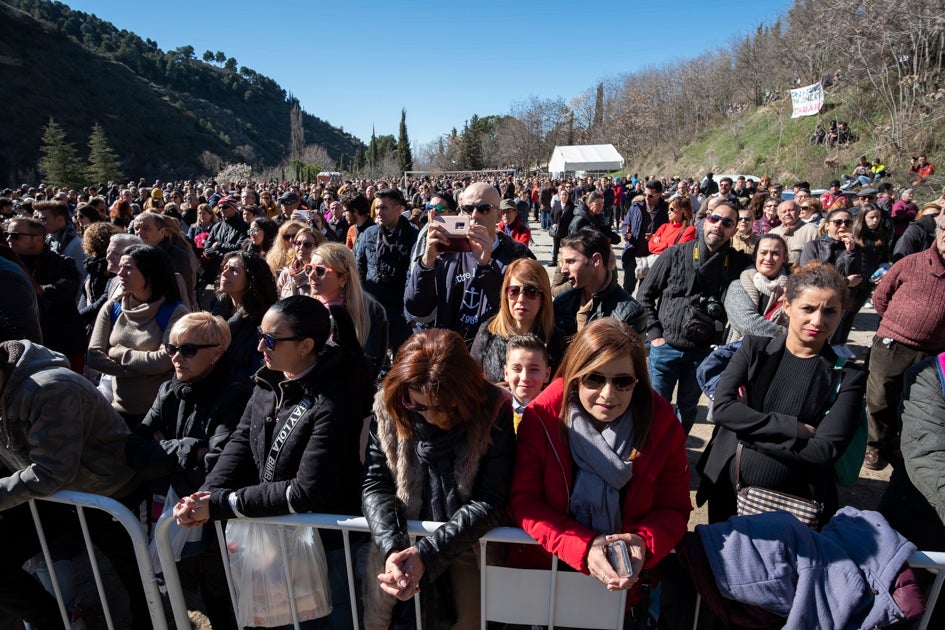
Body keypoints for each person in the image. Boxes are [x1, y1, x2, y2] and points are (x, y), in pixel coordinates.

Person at [175, 296, 372, 630]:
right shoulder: (270, 378)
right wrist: (205, 495)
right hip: (277, 536)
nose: (258, 348)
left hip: (326, 546)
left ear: (307, 345)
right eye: (258, 335)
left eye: (269, 340)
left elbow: (307, 491)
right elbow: (240, 442)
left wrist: (221, 504)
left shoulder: (337, 397)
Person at [508, 318, 691, 612]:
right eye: (594, 378)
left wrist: (643, 542)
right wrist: (584, 546)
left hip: (624, 586)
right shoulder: (541, 417)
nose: (608, 394)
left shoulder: (663, 425)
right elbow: (525, 502)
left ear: (637, 381)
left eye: (622, 382)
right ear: (576, 376)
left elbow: (675, 508)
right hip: (547, 577)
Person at [361, 328, 515, 630]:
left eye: (444, 407)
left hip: (466, 547)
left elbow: (491, 498)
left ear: (464, 395)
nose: (430, 418)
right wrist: (393, 548)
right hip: (400, 549)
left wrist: (428, 553)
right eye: (417, 406)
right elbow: (375, 483)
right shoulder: (390, 405)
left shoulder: (492, 408)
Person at [696, 262, 867, 524]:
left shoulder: (848, 376)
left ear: (841, 313)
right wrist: (792, 427)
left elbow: (824, 450)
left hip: (797, 504)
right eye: (808, 309)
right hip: (728, 492)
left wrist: (746, 431)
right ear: (787, 305)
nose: (818, 321)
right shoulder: (754, 350)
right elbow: (723, 409)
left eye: (830, 311)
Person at [0, 339, 151, 629]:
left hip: (111, 494)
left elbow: (52, 471)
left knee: (139, 577)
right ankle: (53, 620)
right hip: (57, 499)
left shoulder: (50, 388)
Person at [126, 312, 251, 630]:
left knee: (223, 603)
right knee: (169, 592)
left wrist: (165, 453)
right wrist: (188, 449)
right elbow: (132, 450)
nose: (177, 357)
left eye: (189, 350)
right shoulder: (169, 390)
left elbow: (216, 462)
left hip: (216, 524)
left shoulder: (236, 393)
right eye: (171, 349)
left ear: (217, 351)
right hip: (171, 513)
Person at [638, 203, 751, 433]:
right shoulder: (675, 254)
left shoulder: (736, 262)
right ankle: (651, 455)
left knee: (688, 408)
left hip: (702, 352)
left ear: (735, 229)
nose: (719, 226)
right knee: (655, 407)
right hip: (665, 346)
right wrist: (655, 334)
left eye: (727, 222)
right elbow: (644, 295)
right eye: (715, 218)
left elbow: (767, 264)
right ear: (705, 219)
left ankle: (677, 454)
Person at [864, 214, 945, 471]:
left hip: (933, 352)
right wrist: (897, 324)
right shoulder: (911, 263)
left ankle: (901, 448)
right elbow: (881, 296)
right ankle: (875, 446)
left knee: (917, 403)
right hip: (892, 344)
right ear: (938, 231)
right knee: (879, 399)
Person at [405, 182, 531, 345]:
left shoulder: (517, 258)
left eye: (484, 209)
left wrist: (486, 267)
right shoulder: (447, 252)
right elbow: (417, 308)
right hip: (451, 353)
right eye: (468, 209)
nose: (474, 215)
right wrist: (426, 263)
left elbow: (520, 317)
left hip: (495, 356)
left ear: (499, 215)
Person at [87, 244, 189, 426]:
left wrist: (118, 353)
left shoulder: (175, 312)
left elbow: (165, 360)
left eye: (128, 268)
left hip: (159, 415)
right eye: (120, 268)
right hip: (116, 409)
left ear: (149, 273)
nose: (120, 274)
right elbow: (94, 356)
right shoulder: (113, 308)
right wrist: (138, 370)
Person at [5, 216, 86, 371]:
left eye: (15, 235)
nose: (9, 239)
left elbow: (65, 293)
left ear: (38, 239)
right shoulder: (7, 265)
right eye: (6, 234)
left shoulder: (63, 264)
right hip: (22, 347)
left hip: (62, 345)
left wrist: (23, 272)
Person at [470, 258, 565, 383]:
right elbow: (471, 380)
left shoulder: (556, 341)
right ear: (506, 295)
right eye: (514, 291)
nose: (521, 299)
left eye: (531, 292)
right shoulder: (487, 332)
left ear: (543, 298)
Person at [308, 242, 388, 381]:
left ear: (343, 278)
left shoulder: (370, 310)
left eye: (320, 271)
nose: (311, 276)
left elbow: (371, 367)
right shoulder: (306, 307)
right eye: (309, 269)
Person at [355, 188, 419, 353]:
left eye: (384, 208)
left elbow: (415, 275)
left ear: (399, 209)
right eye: (377, 207)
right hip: (372, 310)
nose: (379, 212)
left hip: (400, 312)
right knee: (371, 358)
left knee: (402, 359)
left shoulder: (413, 236)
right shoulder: (369, 233)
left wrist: (410, 311)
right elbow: (358, 266)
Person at [553, 228, 647, 337]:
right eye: (563, 263)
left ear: (596, 260)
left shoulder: (630, 315)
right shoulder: (561, 304)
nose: (563, 269)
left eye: (571, 262)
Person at [212, 251, 279, 380]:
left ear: (251, 279)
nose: (224, 274)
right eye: (224, 268)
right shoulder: (217, 310)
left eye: (234, 270)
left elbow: (258, 372)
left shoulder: (262, 321)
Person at [724, 234, 790, 343]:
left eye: (775, 254)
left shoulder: (795, 289)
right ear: (755, 256)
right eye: (763, 253)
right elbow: (748, 324)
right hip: (742, 352)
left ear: (784, 258)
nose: (768, 258)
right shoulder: (738, 286)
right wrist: (789, 336)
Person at [77, 221, 121, 338]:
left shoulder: (111, 265)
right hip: (91, 325)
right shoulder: (93, 265)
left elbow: (106, 297)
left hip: (105, 324)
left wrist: (78, 316)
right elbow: (85, 292)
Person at [502, 334, 552, 430]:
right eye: (517, 369)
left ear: (547, 375)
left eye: (534, 369)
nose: (525, 377)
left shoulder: (557, 413)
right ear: (506, 373)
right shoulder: (494, 412)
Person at [275, 226, 326, 298]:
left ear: (319, 247)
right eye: (298, 243)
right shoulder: (286, 274)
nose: (301, 248)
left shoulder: (319, 276)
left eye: (307, 244)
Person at [769, 200, 819, 265]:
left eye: (791, 210)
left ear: (799, 212)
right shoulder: (772, 233)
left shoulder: (812, 231)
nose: (787, 213)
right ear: (779, 216)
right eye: (784, 212)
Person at [549, 185, 575, 266]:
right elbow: (551, 215)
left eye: (565, 195)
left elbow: (573, 217)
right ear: (560, 196)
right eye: (562, 195)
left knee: (566, 245)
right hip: (557, 228)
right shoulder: (556, 204)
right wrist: (553, 224)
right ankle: (554, 260)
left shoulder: (571, 205)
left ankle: (565, 260)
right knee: (556, 245)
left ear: (568, 196)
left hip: (566, 229)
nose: (564, 196)